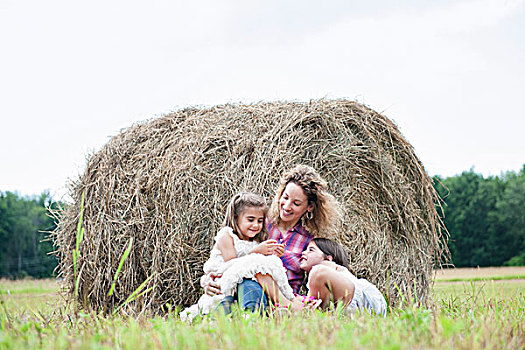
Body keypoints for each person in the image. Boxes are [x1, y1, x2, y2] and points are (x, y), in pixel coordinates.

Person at [204, 165, 342, 312]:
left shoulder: (309, 241)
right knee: (249, 282)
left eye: (296, 203)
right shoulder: (259, 224)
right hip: (251, 289)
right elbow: (229, 255)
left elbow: (322, 277)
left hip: (287, 298)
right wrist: (206, 281)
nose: (287, 206)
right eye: (285, 197)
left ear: (309, 207)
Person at [180, 192, 294, 321]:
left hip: (243, 287)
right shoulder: (226, 237)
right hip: (223, 287)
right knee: (237, 293)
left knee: (253, 283)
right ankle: (233, 318)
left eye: (260, 221)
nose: (256, 225)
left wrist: (271, 257)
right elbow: (234, 269)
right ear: (236, 218)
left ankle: (257, 315)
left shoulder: (256, 240)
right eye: (250, 220)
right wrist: (257, 253)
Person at [299, 238, 387, 316]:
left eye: (311, 250)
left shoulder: (327, 268)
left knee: (318, 272)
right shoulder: (317, 282)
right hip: (360, 310)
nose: (303, 252)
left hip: (365, 298)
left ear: (328, 258)